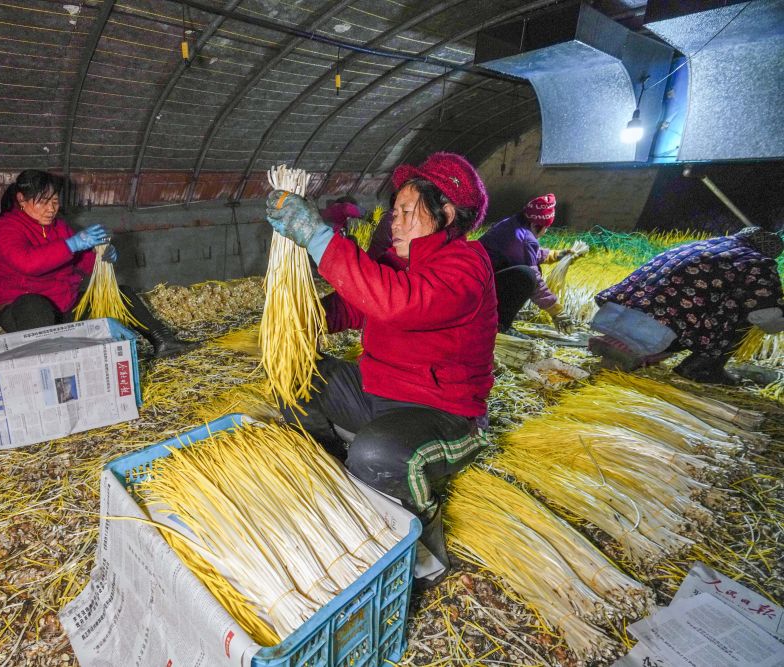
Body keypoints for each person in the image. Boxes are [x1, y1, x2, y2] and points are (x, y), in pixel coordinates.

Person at [265, 152, 498, 587]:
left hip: (445, 415)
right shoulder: (396, 263)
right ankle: (338, 474)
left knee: (378, 454)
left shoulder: (466, 264)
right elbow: (357, 305)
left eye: (409, 211)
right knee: (294, 371)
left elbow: (397, 302)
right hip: (377, 395)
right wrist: (297, 313)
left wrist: (317, 238)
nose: (396, 220)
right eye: (396, 211)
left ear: (446, 214)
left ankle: (424, 558)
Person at [0, 170, 194, 358]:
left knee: (121, 294)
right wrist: (72, 244)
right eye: (42, 202)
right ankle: (52, 360)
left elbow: (83, 264)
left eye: (55, 201)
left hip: (65, 308)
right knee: (33, 304)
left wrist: (101, 256)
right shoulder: (5, 228)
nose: (51, 208)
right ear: (21, 200)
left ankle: (164, 341)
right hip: (23, 313)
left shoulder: (59, 227)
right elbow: (27, 263)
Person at [588, 226, 784, 384]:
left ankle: (630, 347)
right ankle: (702, 369)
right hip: (663, 325)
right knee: (746, 312)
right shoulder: (758, 262)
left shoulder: (701, 246)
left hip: (618, 313)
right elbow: (767, 317)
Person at [478, 193, 581, 334]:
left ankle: (496, 318)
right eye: (546, 228)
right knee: (527, 277)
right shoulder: (525, 238)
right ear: (535, 225)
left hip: (478, 283)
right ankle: (499, 324)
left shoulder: (512, 224)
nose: (545, 232)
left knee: (526, 273)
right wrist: (557, 311)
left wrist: (557, 255)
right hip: (479, 290)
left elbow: (523, 254)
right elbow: (536, 283)